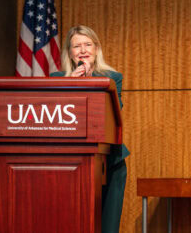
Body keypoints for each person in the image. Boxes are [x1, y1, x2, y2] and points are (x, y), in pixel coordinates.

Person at [50, 25, 129, 233]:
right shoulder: (57, 79)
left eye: (88, 44)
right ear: (69, 52)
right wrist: (70, 85)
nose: (83, 50)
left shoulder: (113, 78)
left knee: (107, 227)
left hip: (109, 163)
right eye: (77, 46)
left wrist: (89, 80)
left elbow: (114, 113)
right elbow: (54, 118)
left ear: (96, 49)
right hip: (69, 164)